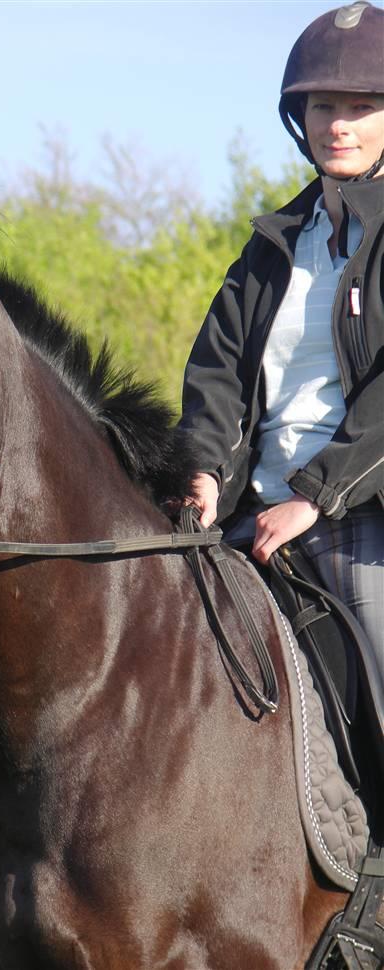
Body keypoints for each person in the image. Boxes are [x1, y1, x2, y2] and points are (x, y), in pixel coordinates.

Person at [179, 0, 384, 660]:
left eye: (361, 107)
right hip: (251, 514)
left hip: (358, 517)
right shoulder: (274, 246)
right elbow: (218, 370)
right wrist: (203, 470)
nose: (339, 125)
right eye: (324, 106)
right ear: (302, 117)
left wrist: (316, 497)